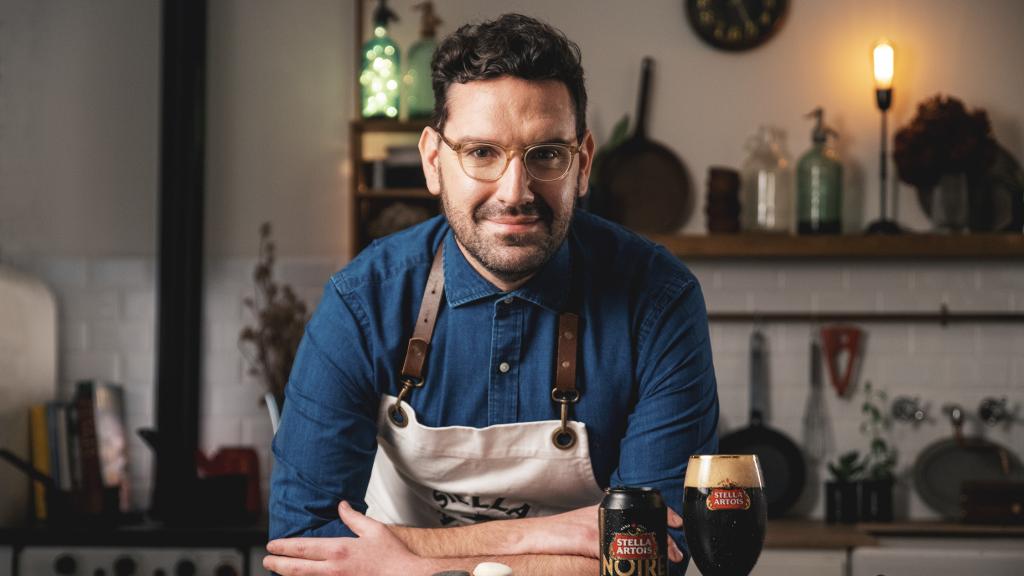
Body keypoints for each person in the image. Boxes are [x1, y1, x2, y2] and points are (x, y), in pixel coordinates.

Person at [264, 13, 718, 576]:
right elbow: (303, 544)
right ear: (434, 161)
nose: (515, 191)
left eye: (547, 154)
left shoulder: (658, 301)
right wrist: (548, 536)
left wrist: (411, 564)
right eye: (481, 152)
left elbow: (652, 551)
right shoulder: (363, 302)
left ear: (583, 164)